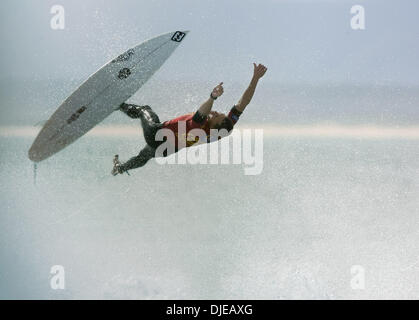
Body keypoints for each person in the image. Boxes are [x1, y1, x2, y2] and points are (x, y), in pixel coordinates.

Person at [112, 63, 267, 175]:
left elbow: (202, 113)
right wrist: (255, 79)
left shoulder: (198, 128)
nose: (218, 112)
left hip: (155, 134)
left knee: (144, 109)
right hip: (166, 149)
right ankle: (121, 168)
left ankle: (116, 104)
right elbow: (243, 104)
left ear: (213, 124)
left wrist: (213, 97)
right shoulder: (223, 129)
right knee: (143, 157)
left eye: (217, 115)